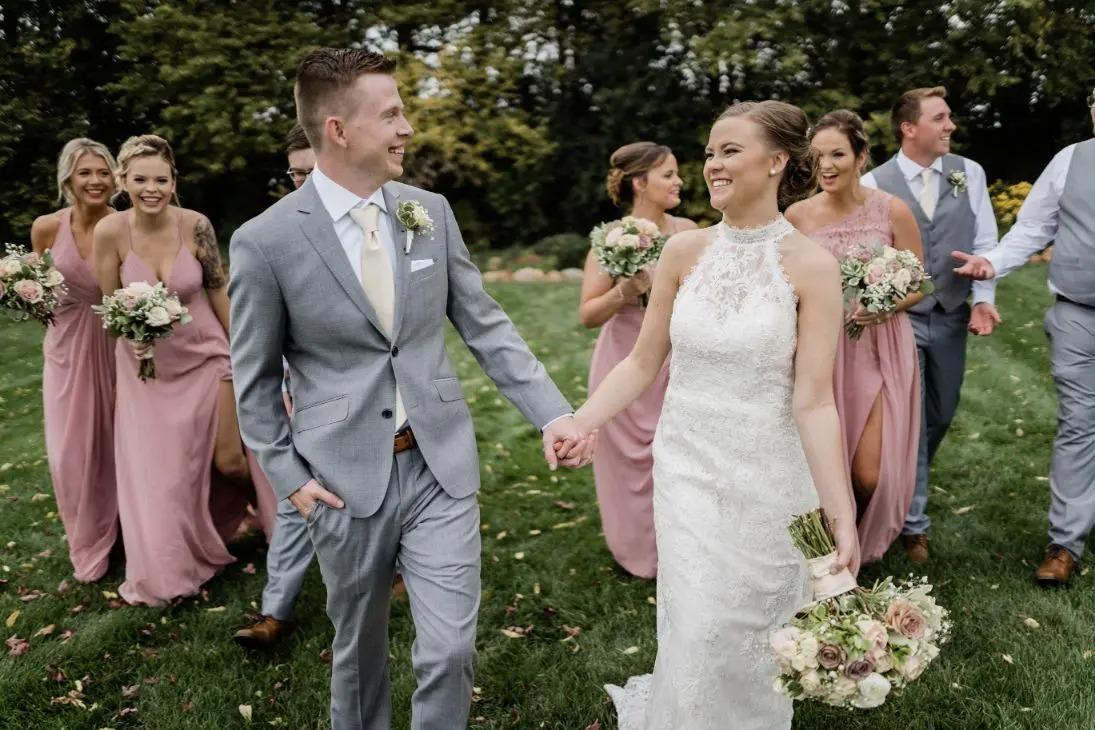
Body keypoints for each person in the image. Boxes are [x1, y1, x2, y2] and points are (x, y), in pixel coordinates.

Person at [228, 49, 593, 729]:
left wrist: (553, 414)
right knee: (358, 651)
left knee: (449, 649)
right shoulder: (264, 242)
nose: (407, 128)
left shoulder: (429, 211)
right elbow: (252, 380)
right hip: (340, 480)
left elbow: (486, 326)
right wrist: (290, 479)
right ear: (338, 130)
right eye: (391, 114)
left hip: (438, 465)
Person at [577, 101, 857, 729]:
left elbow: (814, 400)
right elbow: (641, 363)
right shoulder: (683, 252)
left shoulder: (813, 267)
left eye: (729, 151)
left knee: (757, 625)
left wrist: (838, 510)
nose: (712, 165)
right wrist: (581, 419)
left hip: (771, 474)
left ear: (777, 161)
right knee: (699, 621)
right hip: (689, 467)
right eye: (709, 152)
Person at [91, 134, 276, 605]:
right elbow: (109, 309)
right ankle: (176, 562)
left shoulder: (196, 226)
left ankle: (278, 515)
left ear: (174, 182)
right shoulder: (110, 232)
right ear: (123, 182)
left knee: (231, 460)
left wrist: (247, 351)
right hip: (147, 373)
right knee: (167, 477)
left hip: (209, 358)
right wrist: (131, 331)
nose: (151, 189)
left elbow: (217, 290)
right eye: (141, 180)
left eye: (161, 180)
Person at [951, 86, 1095, 586]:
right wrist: (993, 262)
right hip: (1077, 313)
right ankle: (1065, 544)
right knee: (1078, 424)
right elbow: (1034, 228)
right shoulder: (1070, 161)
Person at [861, 86, 1000, 562]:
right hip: (901, 318)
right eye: (940, 118)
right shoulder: (875, 183)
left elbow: (985, 240)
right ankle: (913, 525)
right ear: (909, 128)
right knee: (913, 418)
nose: (950, 126)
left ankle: (903, 482)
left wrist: (983, 299)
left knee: (940, 413)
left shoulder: (968, 172)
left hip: (951, 313)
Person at [786, 110, 923, 564]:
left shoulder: (891, 209)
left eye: (838, 154)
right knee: (823, 462)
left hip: (879, 345)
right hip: (821, 348)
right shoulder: (797, 216)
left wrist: (887, 304)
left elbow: (920, 284)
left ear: (861, 156)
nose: (826, 165)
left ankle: (857, 540)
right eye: (818, 156)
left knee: (869, 473)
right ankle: (835, 553)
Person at [579, 142, 697, 579]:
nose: (678, 181)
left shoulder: (688, 232)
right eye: (668, 174)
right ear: (640, 183)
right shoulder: (611, 239)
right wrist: (625, 291)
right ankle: (637, 551)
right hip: (624, 357)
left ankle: (684, 547)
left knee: (680, 458)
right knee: (630, 462)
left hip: (678, 356)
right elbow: (588, 314)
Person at [234, 123, 319, 648]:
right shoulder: (270, 236)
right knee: (296, 497)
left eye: (315, 171)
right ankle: (277, 612)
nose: (305, 183)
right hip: (301, 391)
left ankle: (397, 569)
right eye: (297, 174)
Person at [31, 138, 119, 582]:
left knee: (119, 442)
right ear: (68, 178)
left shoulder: (124, 225)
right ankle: (88, 539)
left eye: (103, 172)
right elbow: (40, 293)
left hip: (116, 346)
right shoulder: (46, 228)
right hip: (66, 350)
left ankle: (127, 531)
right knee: (70, 453)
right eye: (85, 172)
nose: (95, 181)